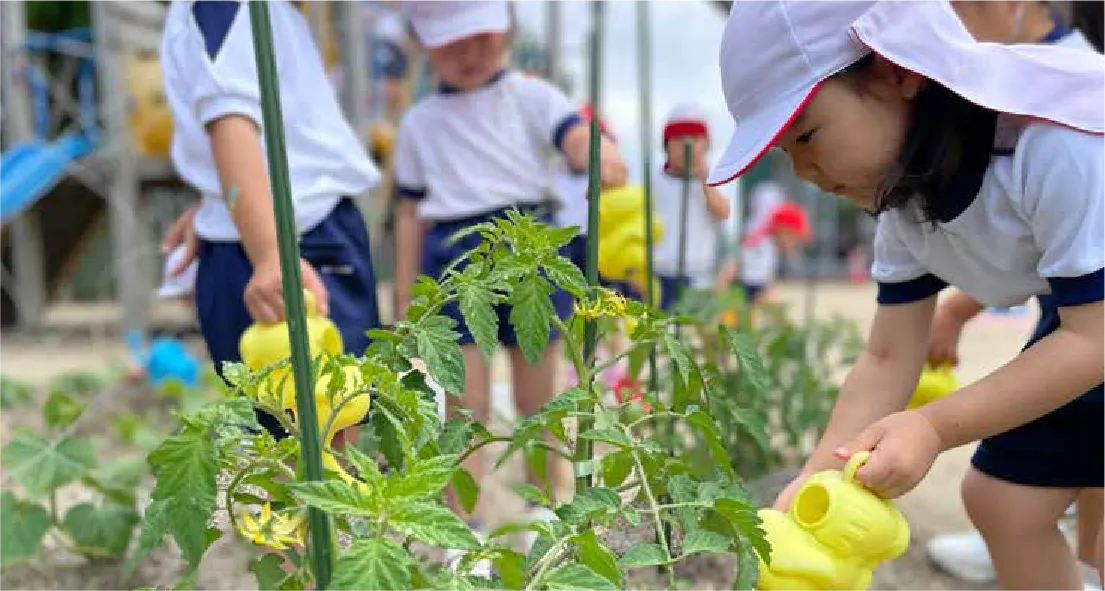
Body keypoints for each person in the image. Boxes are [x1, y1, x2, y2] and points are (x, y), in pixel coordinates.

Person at [707, 0, 1105, 589]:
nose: (804, 171)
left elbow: (1092, 341)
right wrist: (814, 482)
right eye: (785, 153)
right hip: (1089, 324)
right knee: (1003, 501)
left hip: (1093, 329)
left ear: (896, 72)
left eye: (807, 134)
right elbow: (888, 355)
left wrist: (933, 427)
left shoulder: (1052, 143)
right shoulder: (905, 210)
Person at [392, 0, 628, 553]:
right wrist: (404, 297)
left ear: (506, 31)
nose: (469, 52)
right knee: (463, 405)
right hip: (453, 261)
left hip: (530, 251)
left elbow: (573, 134)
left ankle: (542, 511)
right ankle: (462, 531)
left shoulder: (531, 95)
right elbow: (407, 213)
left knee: (538, 397)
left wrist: (595, 152)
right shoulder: (420, 123)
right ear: (425, 45)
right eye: (452, 42)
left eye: (481, 37)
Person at [921, 1, 1105, 587]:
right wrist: (956, 309)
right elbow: (1030, 232)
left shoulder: (1067, 81)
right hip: (1072, 311)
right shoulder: (995, 85)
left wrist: (956, 309)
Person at [160, 0, 382, 444]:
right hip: (297, 244)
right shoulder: (232, 8)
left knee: (296, 433)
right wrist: (269, 253)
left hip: (274, 235)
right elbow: (230, 123)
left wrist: (220, 204)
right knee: (326, 425)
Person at [651, 103, 731, 311]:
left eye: (695, 139)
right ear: (666, 145)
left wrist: (705, 180)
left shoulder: (712, 183)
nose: (687, 146)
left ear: (706, 145)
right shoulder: (654, 182)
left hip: (698, 273)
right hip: (659, 272)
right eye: (678, 139)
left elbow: (723, 213)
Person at [716, 180, 812, 306]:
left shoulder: (771, 248)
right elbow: (732, 269)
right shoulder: (758, 243)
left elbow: (767, 281)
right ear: (783, 230)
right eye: (795, 239)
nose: (794, 245)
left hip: (751, 292)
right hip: (742, 291)